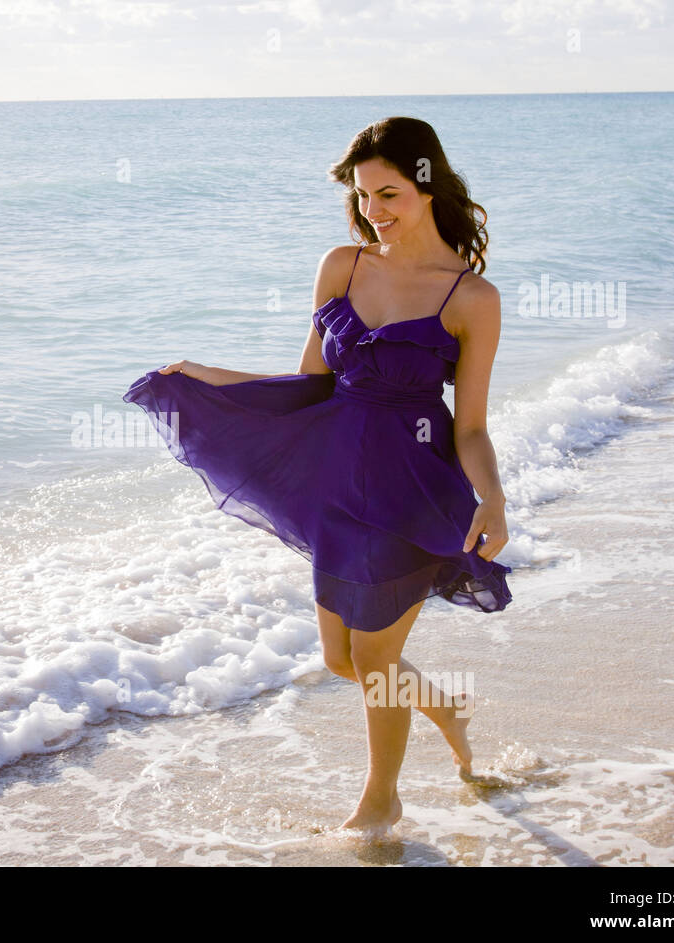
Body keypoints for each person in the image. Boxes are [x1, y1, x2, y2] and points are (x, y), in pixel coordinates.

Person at [121, 116, 513, 835]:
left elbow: (472, 427)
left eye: (390, 194)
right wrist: (206, 376)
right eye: (364, 197)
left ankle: (381, 804)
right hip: (335, 489)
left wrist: (493, 496)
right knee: (344, 659)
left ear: (428, 187)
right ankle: (444, 707)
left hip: (410, 496)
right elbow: (309, 385)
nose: (375, 211)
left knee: (373, 656)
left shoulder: (470, 300)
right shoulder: (343, 266)